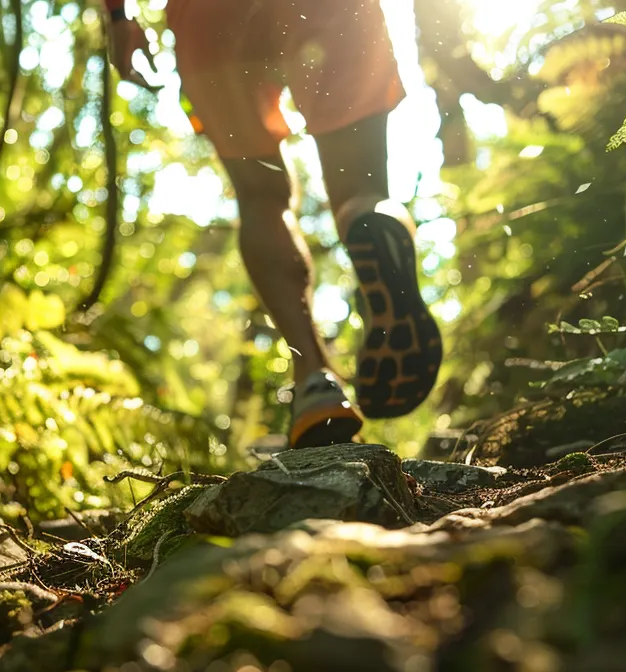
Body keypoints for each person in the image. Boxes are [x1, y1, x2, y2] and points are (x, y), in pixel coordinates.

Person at [103, 0, 442, 448]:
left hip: (207, 15)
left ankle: (315, 382)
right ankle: (371, 221)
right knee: (360, 188)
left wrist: (118, 17)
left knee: (262, 197)